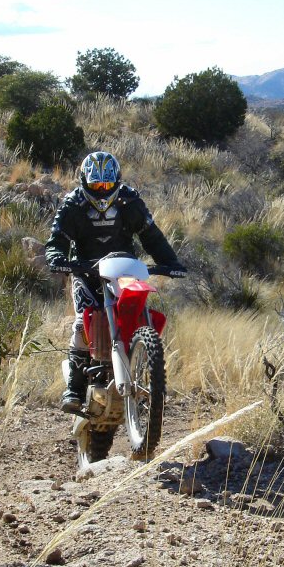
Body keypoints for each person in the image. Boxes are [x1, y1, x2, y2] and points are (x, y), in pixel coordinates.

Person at [45, 151, 184, 414]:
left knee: (139, 311)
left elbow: (151, 236)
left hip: (124, 270)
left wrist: (171, 263)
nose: (101, 190)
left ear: (116, 182)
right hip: (86, 271)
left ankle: (146, 367)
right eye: (96, 185)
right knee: (81, 322)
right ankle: (74, 388)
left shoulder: (129, 201)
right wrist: (58, 259)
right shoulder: (73, 204)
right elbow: (56, 241)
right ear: (84, 182)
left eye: (106, 185)